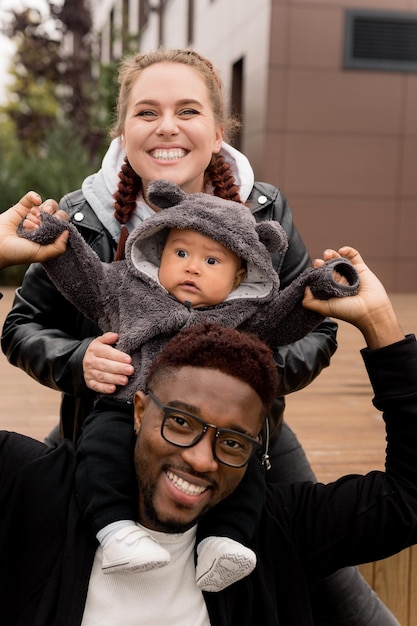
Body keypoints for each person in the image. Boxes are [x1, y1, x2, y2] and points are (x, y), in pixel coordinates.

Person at [0, 48, 398, 624]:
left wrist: (243, 375)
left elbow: (313, 328)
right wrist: (77, 359)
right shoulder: (84, 215)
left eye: (187, 110)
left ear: (217, 132)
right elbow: (21, 326)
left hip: (241, 436)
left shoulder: (264, 208)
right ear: (123, 130)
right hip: (111, 419)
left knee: (337, 586)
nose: (167, 127)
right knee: (65, 568)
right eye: (146, 112)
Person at [19, 178, 359, 590]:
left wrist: (321, 284)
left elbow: (288, 316)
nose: (192, 266)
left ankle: (225, 541)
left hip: (212, 424)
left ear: (239, 279)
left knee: (247, 469)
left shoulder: (246, 313)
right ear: (157, 251)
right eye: (180, 252)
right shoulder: (128, 287)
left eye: (212, 262)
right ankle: (115, 532)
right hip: (127, 404)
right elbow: (85, 276)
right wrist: (59, 236)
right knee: (98, 449)